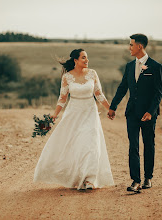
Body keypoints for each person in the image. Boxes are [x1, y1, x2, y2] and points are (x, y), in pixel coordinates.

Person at [34, 49, 114, 190]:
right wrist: (54, 115)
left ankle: (89, 179)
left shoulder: (92, 74)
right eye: (83, 58)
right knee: (77, 145)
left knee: (91, 143)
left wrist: (110, 108)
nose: (87, 60)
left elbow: (99, 94)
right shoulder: (67, 77)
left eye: (87, 58)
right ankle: (78, 176)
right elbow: (62, 99)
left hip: (90, 112)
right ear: (76, 60)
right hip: (74, 113)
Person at [108, 34, 162, 192]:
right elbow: (122, 87)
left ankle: (148, 178)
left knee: (148, 145)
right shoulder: (130, 66)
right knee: (133, 146)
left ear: (140, 46)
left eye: (131, 45)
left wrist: (151, 112)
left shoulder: (155, 66)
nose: (129, 47)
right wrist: (113, 106)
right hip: (132, 112)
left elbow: (158, 93)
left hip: (148, 114)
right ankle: (136, 181)